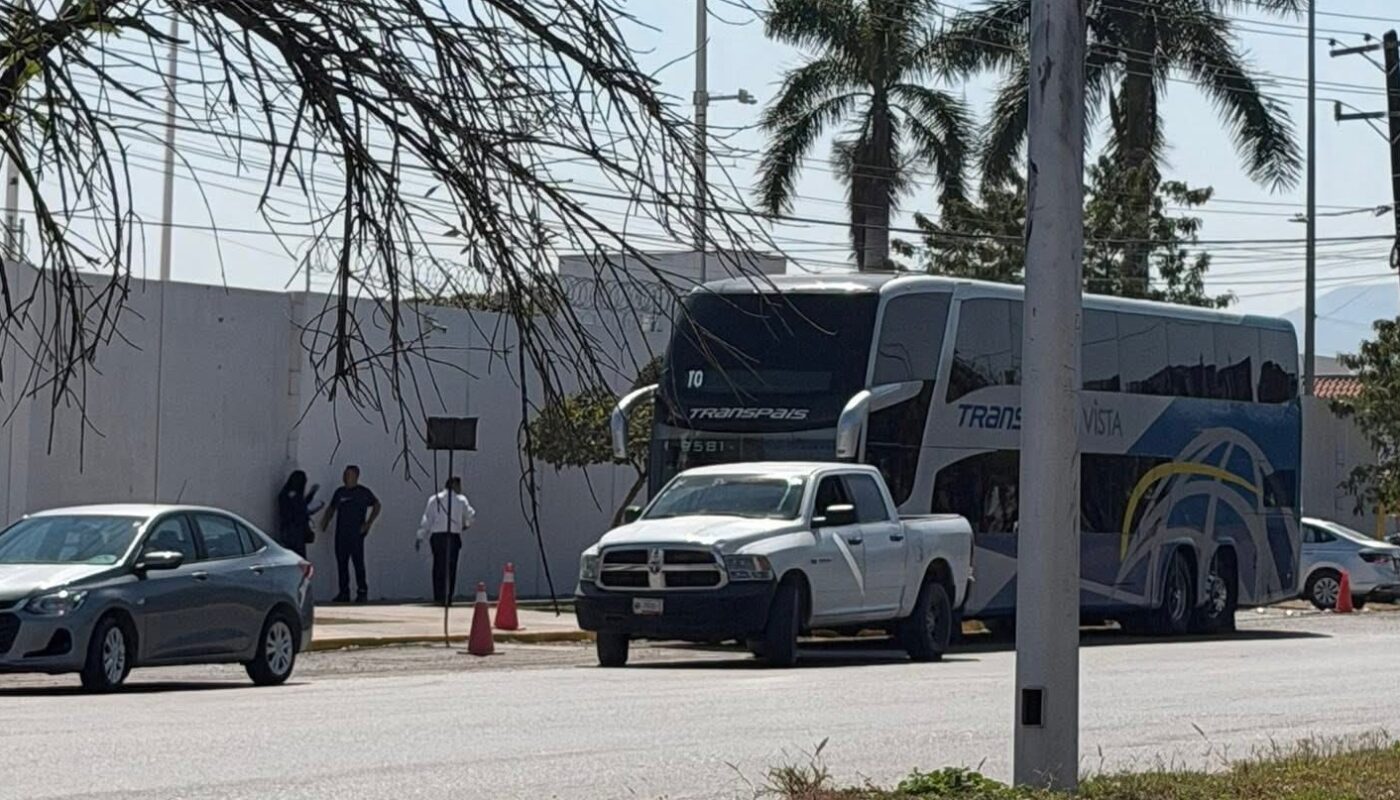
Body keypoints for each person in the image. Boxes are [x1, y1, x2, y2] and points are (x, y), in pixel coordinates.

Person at [320, 465, 381, 603]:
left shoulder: (363, 492)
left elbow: (377, 505)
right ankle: (344, 592)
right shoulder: (340, 492)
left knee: (358, 563)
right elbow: (332, 508)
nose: (346, 477)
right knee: (342, 563)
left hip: (356, 534)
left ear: (356, 476)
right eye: (345, 474)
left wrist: (368, 523)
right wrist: (325, 522)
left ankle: (362, 591)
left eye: (349, 475)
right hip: (341, 534)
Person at [416, 477, 475, 606]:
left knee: (438, 566)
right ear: (454, 485)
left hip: (437, 537)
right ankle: (449, 596)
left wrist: (420, 535)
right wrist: (465, 525)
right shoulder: (461, 500)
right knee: (451, 567)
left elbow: (427, 519)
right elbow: (470, 515)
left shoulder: (435, 499)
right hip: (453, 536)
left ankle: (439, 596)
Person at [276, 470, 313, 557]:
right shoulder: (296, 497)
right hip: (296, 534)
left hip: (286, 532)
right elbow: (300, 512)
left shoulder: (284, 495)